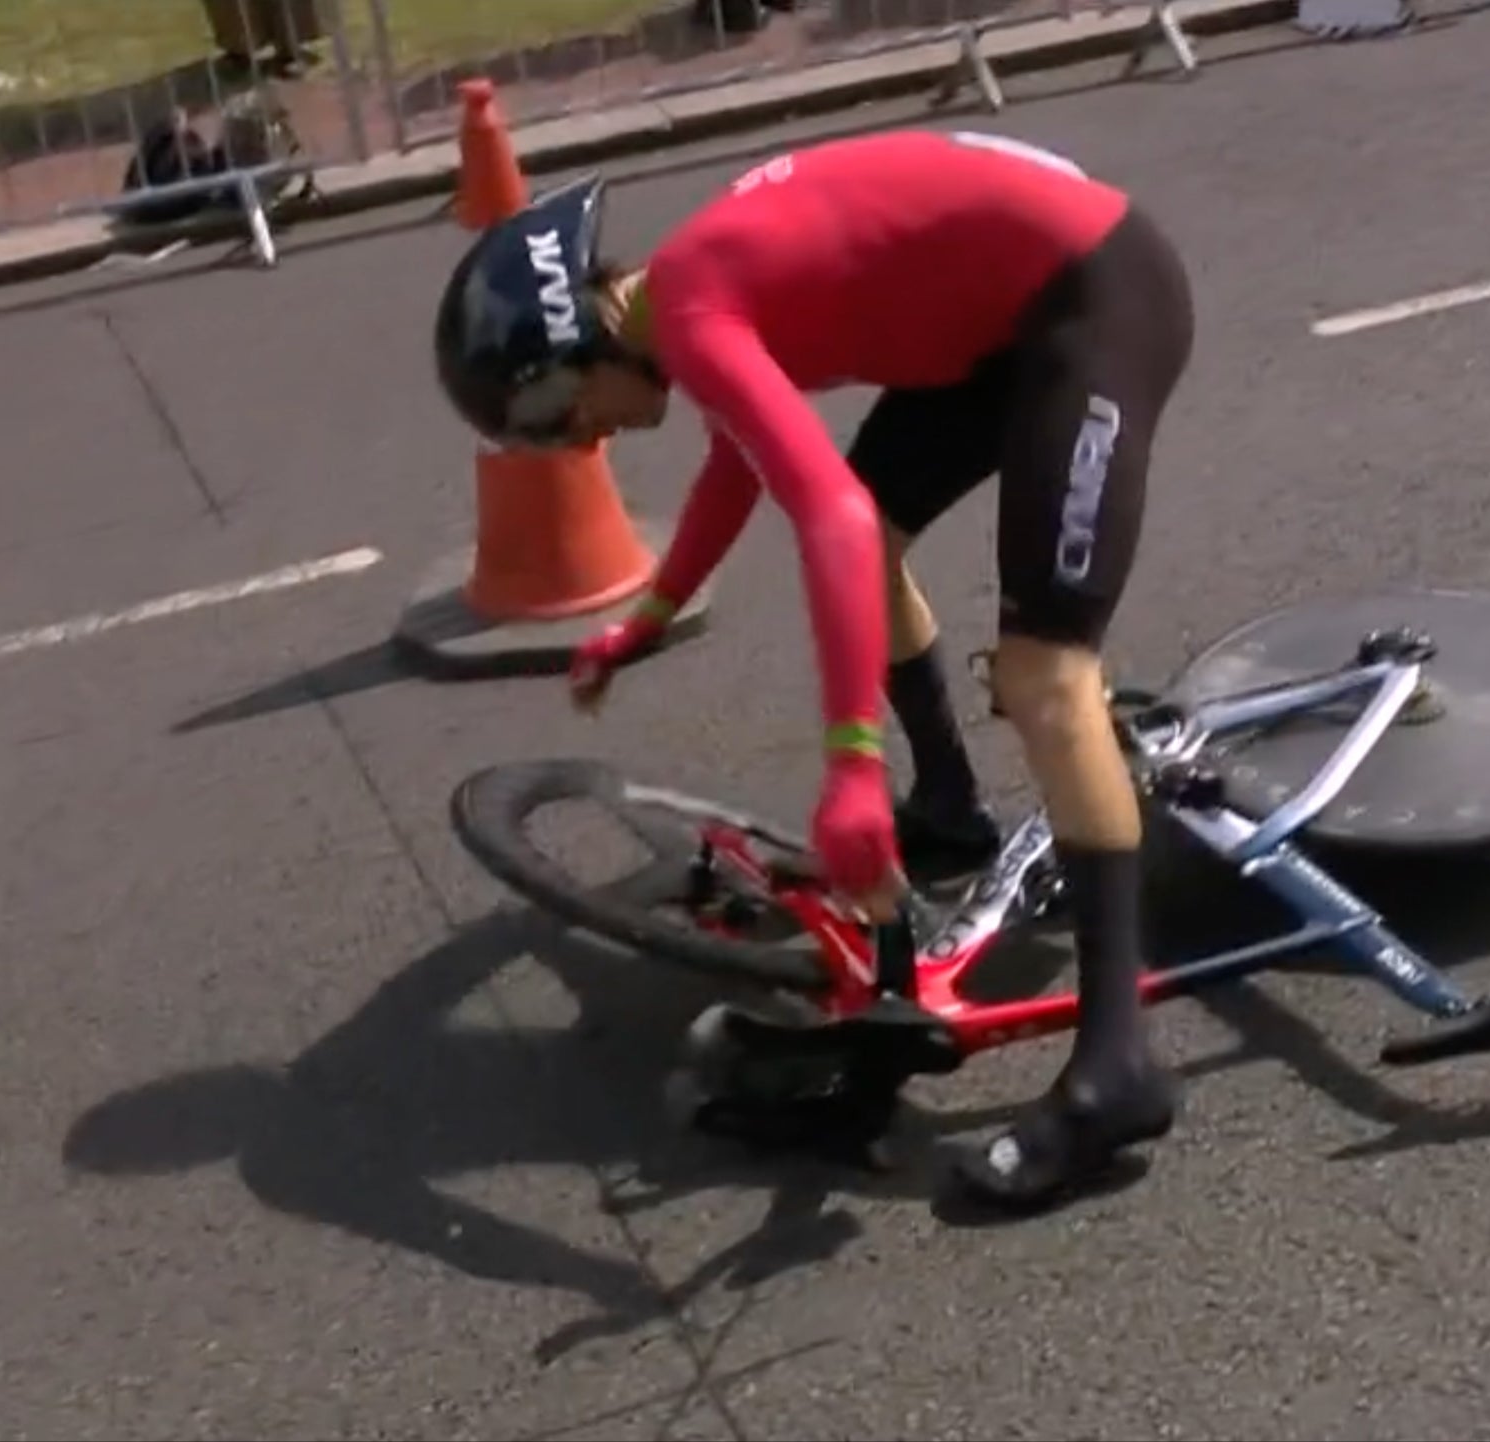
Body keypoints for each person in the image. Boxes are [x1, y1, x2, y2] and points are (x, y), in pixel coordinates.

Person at [432, 128, 1196, 1214]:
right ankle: (948, 804)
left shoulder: (690, 310)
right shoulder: (681, 301)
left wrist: (847, 764)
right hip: (1000, 325)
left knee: (1041, 673)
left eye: (554, 415)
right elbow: (734, 468)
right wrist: (644, 615)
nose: (580, 444)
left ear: (574, 343)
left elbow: (819, 513)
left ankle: (1119, 1064)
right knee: (877, 541)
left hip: (1093, 301)